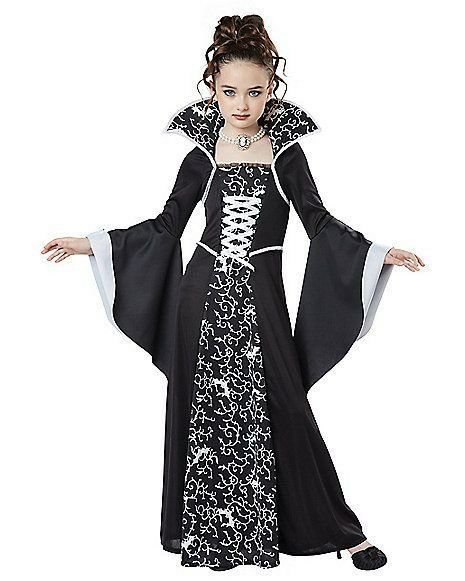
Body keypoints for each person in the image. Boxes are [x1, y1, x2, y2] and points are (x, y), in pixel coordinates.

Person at [41, 14, 425, 572]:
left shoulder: (286, 151)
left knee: (285, 408)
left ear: (271, 90)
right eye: (229, 92)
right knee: (204, 411)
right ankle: (213, 537)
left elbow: (317, 221)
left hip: (261, 296)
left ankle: (340, 531)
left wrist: (376, 253)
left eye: (255, 91)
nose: (241, 104)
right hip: (201, 295)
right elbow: (167, 224)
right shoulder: (202, 151)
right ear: (212, 88)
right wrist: (93, 244)